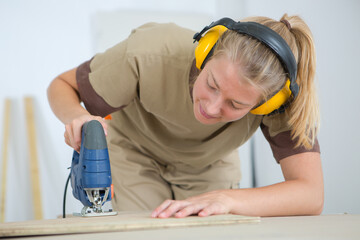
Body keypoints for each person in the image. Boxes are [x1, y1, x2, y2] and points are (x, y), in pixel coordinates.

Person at [47, 13, 323, 218]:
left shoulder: (280, 100)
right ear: (206, 52)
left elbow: (311, 194)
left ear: (266, 105)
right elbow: (63, 85)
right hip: (135, 150)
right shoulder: (148, 52)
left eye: (236, 104)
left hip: (210, 162)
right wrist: (76, 116)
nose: (212, 108)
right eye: (212, 84)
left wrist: (228, 199)